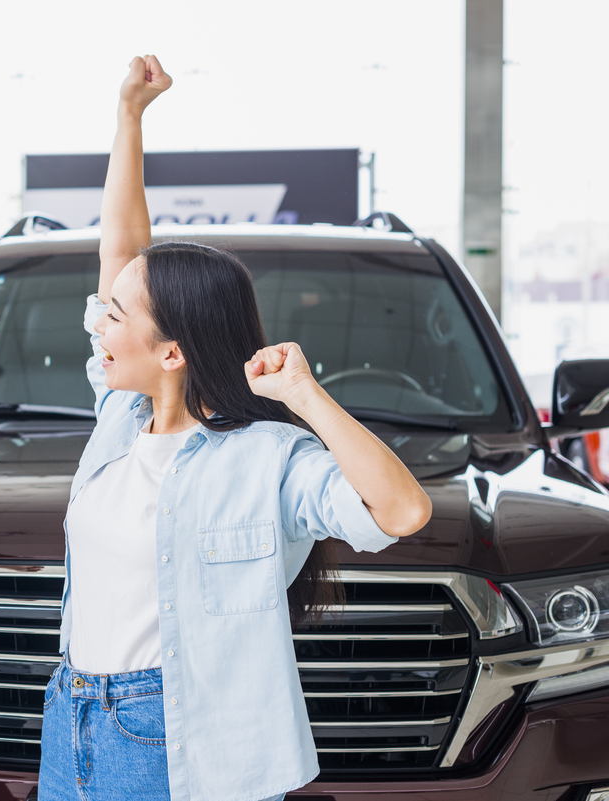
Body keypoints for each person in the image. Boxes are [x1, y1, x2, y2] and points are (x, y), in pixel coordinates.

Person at [37, 56, 432, 801]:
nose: (99, 323)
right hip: (73, 720)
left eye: (114, 316)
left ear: (174, 351)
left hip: (177, 740)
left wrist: (306, 395)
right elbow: (122, 254)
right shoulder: (120, 419)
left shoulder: (269, 458)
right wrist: (129, 117)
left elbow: (402, 512)